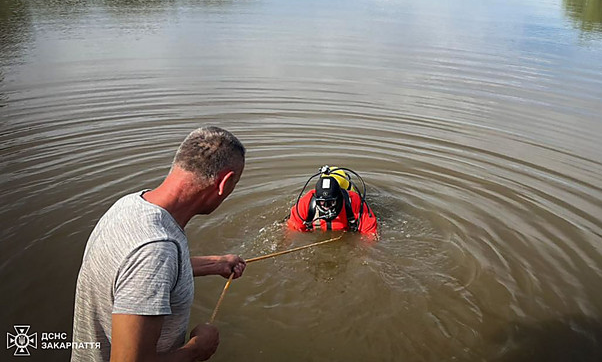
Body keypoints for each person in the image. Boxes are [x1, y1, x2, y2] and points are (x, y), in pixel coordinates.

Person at [72, 126, 247, 362]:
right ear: (224, 183)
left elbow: (131, 273)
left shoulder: (130, 205)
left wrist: (215, 264)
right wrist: (197, 349)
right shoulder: (156, 250)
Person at [287, 166, 377, 237]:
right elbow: (292, 230)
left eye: (330, 202)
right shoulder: (306, 203)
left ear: (338, 198)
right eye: (321, 202)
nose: (326, 206)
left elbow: (370, 232)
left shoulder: (354, 201)